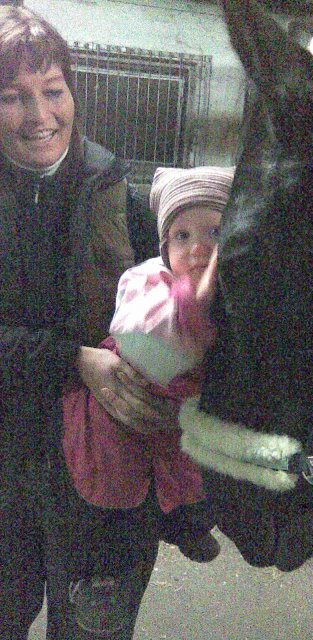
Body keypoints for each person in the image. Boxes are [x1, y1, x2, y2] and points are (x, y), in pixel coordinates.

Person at [0, 6, 169, 639]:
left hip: (103, 471)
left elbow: (174, 303)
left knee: (93, 630)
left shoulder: (115, 190)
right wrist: (75, 361)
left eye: (53, 91)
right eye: (12, 97)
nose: (39, 114)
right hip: (6, 465)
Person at [62, 165, 234, 634]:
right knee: (115, 491)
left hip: (177, 409)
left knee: (187, 471)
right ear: (164, 247)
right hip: (116, 405)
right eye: (182, 236)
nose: (197, 248)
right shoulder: (148, 281)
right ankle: (102, 577)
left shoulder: (236, 288)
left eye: (215, 233)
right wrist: (198, 296)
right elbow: (143, 337)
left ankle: (185, 525)